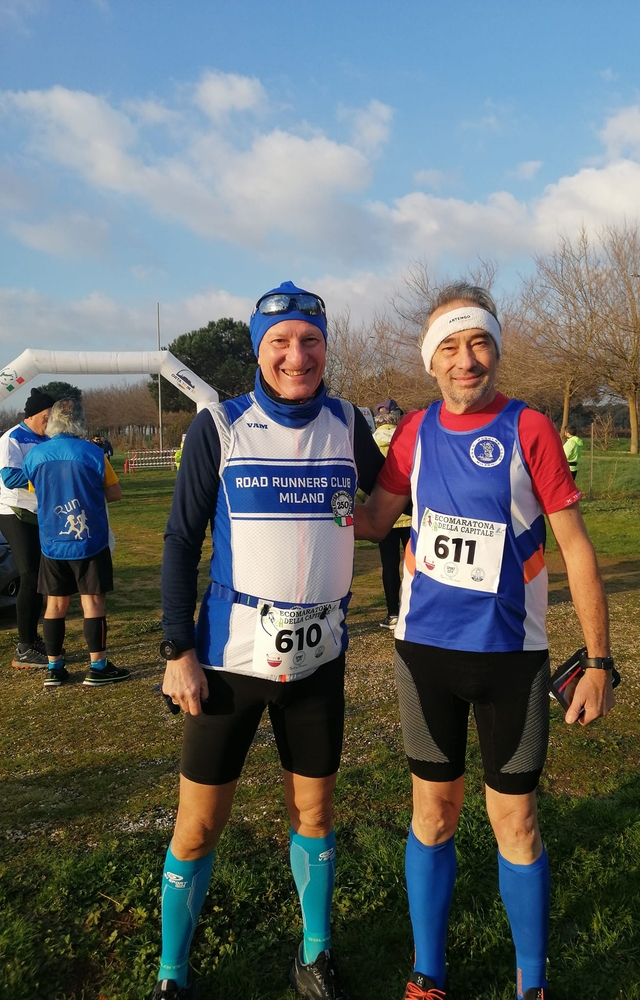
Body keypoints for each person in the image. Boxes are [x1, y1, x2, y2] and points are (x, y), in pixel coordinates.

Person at [355, 282, 615, 1000]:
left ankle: (532, 983)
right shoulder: (412, 434)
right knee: (432, 813)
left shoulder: (528, 428)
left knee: (517, 822)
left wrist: (599, 661)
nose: (466, 360)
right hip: (425, 659)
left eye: (479, 344)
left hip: (512, 662)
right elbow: (374, 518)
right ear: (430, 363)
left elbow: (576, 548)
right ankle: (426, 973)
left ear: (494, 350)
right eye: (450, 347)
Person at [153, 281, 384, 1000]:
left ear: (325, 348)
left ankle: (315, 955)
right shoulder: (218, 426)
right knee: (198, 825)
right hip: (228, 662)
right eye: (279, 342)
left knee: (313, 813)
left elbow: (387, 514)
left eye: (311, 341)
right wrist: (175, 651)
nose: (297, 355)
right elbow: (180, 539)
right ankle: (172, 972)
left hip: (319, 661)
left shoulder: (350, 425)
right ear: (259, 349)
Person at [22, 397, 128, 689]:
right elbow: (115, 492)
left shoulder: (35, 456)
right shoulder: (93, 453)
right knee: (92, 601)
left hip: (52, 541)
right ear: (80, 420)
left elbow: (35, 489)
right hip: (88, 540)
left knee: (55, 604)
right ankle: (98, 666)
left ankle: (54, 668)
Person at [0, 387, 55, 668]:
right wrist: (47, 474)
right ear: (33, 415)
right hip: (13, 511)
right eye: (47, 416)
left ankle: (32, 641)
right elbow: (10, 478)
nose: (50, 421)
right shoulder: (12, 438)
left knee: (39, 579)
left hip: (39, 512)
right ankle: (23, 647)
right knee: (29, 575)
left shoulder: (47, 438)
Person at [372, 408, 411, 629]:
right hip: (409, 515)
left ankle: (393, 613)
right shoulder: (406, 441)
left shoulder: (370, 444)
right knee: (413, 565)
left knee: (389, 565)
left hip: (383, 516)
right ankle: (411, 609)